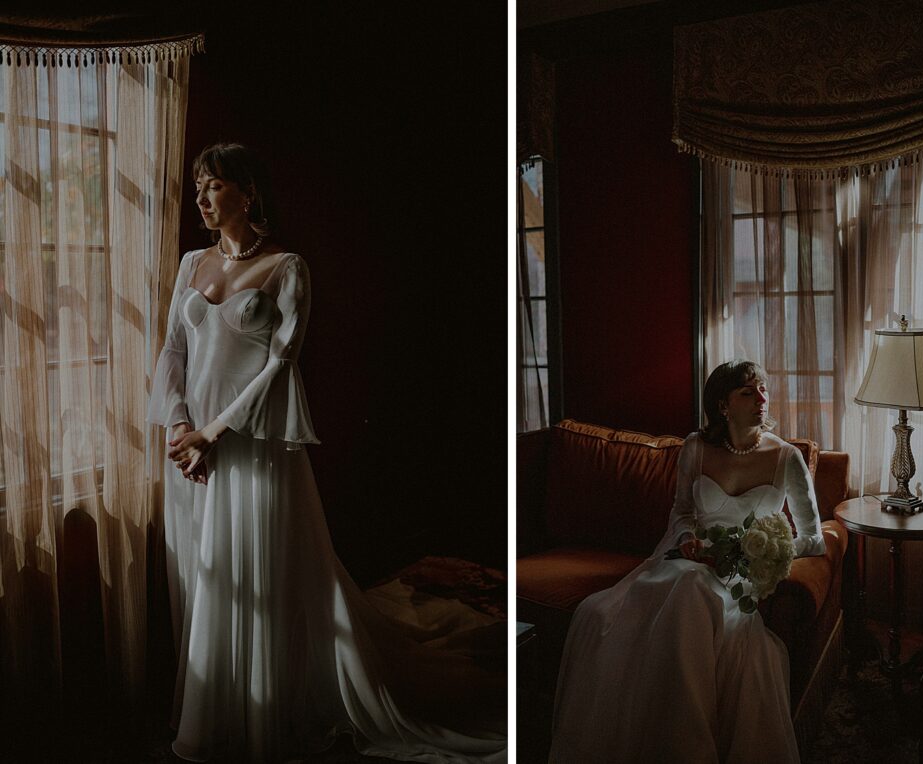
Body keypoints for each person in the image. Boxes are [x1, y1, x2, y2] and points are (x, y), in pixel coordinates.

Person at [146, 143, 505, 763]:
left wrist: (215, 434)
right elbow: (174, 351)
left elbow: (280, 367)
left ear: (248, 192)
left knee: (254, 581)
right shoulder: (190, 264)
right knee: (204, 579)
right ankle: (213, 706)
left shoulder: (288, 268)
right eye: (200, 186)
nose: (201, 198)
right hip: (188, 452)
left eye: (215, 186)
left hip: (252, 451)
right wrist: (180, 429)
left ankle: (263, 713)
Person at [549, 360, 825, 763]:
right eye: (748, 392)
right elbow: (680, 512)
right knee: (598, 612)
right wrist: (687, 539)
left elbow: (813, 537)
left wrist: (760, 549)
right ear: (724, 406)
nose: (762, 399)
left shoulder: (786, 458)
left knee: (695, 592)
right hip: (683, 559)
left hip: (738, 575)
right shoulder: (695, 448)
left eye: (763, 389)